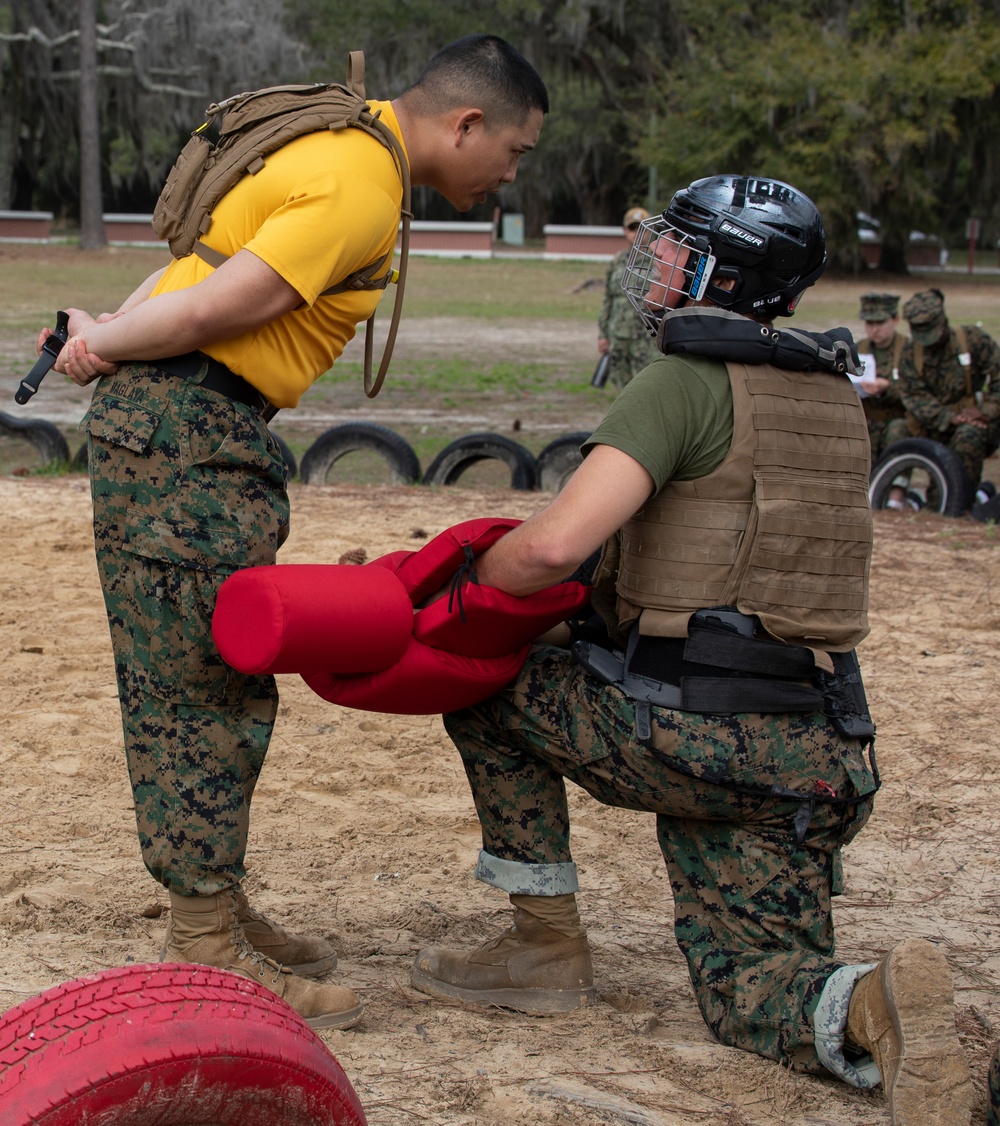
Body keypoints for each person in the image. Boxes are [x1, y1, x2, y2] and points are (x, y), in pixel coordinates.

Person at [409, 175, 974, 1125]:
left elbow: (553, 549)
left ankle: (542, 943)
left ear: (717, 267)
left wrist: (452, 594)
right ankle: (870, 1005)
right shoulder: (835, 401)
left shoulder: (678, 381)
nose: (655, 262)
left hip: (691, 737)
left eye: (675, 247)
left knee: (489, 688)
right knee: (746, 987)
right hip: (819, 756)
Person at [38, 33, 549, 1030]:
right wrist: (103, 339)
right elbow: (227, 300)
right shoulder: (359, 177)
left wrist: (108, 327)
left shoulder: (334, 146)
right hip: (193, 432)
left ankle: (214, 905)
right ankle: (205, 940)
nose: (511, 175)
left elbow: (195, 265)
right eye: (515, 154)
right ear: (467, 123)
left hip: (186, 427)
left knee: (206, 676)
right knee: (200, 690)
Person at [898, 287, 1000, 499]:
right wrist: (950, 418)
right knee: (897, 430)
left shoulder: (972, 340)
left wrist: (987, 411)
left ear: (943, 320)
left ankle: (963, 500)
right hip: (934, 425)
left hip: (975, 424)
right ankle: (895, 497)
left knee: (968, 437)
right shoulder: (910, 354)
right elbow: (914, 396)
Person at [596, 206, 660, 390]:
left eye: (642, 228)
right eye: (633, 228)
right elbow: (608, 299)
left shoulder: (659, 263)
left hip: (646, 340)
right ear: (625, 231)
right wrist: (603, 334)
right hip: (619, 336)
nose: (637, 234)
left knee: (646, 389)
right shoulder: (617, 261)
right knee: (621, 389)